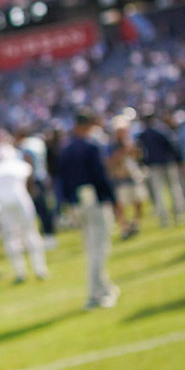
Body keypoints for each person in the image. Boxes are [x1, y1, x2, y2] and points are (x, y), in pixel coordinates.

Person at [57, 109, 121, 310]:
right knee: (99, 248)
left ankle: (104, 287)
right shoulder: (91, 146)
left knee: (92, 247)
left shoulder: (66, 149)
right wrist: (113, 199)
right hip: (94, 201)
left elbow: (62, 181)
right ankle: (96, 294)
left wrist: (67, 205)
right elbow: (100, 176)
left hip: (78, 203)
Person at [0, 142, 49, 283]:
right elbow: (29, 177)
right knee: (30, 232)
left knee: (11, 237)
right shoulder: (18, 165)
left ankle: (20, 271)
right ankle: (39, 268)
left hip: (3, 203)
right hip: (21, 199)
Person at [136, 109, 185, 227]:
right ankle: (179, 214)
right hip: (167, 163)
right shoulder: (162, 129)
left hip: (155, 164)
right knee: (174, 189)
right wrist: (179, 160)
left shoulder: (144, 134)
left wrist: (143, 163)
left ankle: (165, 219)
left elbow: (141, 152)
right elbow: (173, 145)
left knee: (159, 192)